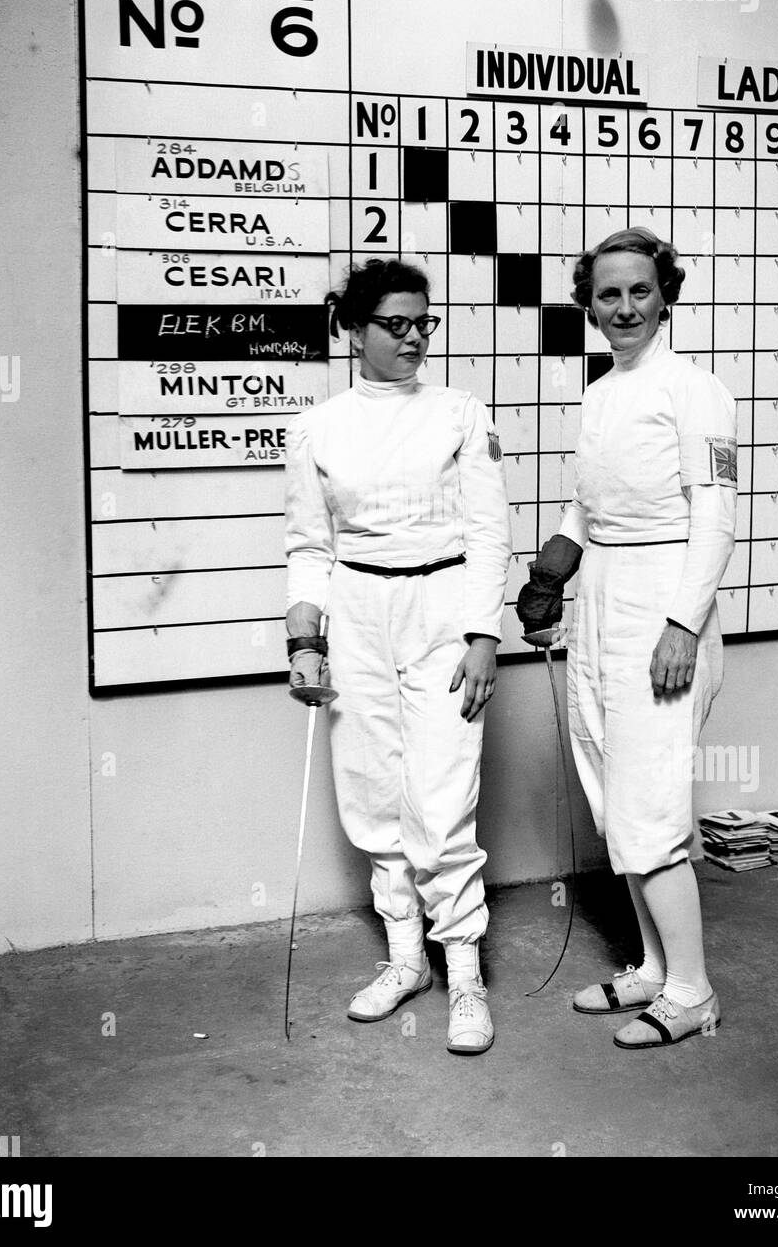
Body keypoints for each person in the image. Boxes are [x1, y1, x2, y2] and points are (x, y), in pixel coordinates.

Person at [284, 258, 511, 1055]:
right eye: (397, 324)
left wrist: (484, 635)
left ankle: (466, 975)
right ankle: (408, 958)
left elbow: (489, 533)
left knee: (442, 801)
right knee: (375, 796)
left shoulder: (459, 412)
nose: (416, 337)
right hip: (356, 612)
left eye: (425, 322)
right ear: (353, 330)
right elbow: (309, 546)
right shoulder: (318, 427)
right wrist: (305, 643)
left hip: (444, 609)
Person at [517, 227, 737, 1049]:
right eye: (608, 293)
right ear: (589, 303)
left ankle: (694, 992)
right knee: (613, 793)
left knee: (649, 810)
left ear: (665, 294)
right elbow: (585, 509)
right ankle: (652, 968)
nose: (624, 307)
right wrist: (549, 576)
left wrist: (683, 624)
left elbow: (715, 520)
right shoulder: (602, 391)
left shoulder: (694, 389)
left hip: (664, 604)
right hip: (603, 600)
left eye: (639, 290)